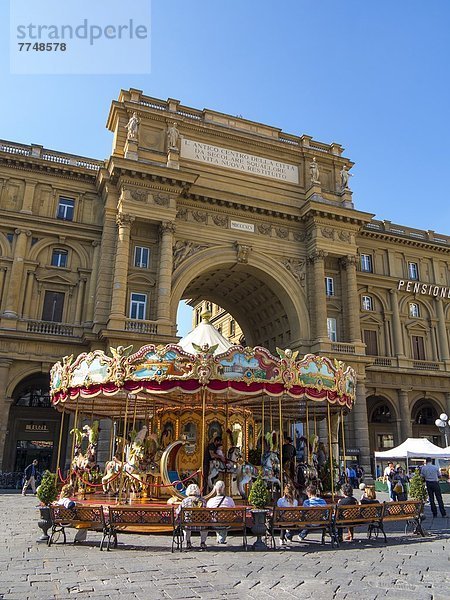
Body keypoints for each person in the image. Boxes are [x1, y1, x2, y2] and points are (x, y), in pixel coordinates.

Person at [176, 484, 208, 550]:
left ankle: (188, 542)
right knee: (205, 526)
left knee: (186, 525)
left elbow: (178, 511)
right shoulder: (203, 501)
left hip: (188, 524)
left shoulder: (185, 501)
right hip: (201, 524)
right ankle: (202, 542)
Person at [206, 480, 235, 544]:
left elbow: (208, 511)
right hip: (227, 522)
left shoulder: (211, 501)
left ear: (215, 489)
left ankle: (220, 538)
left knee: (216, 518)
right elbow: (234, 510)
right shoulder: (229, 500)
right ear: (224, 488)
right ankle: (221, 539)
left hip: (214, 522)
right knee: (224, 519)